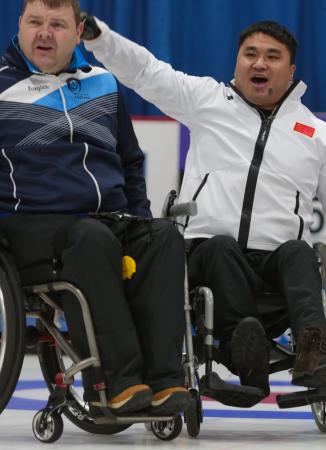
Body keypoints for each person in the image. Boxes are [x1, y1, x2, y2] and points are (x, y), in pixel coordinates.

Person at [81, 15, 326, 399]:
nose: (259, 63)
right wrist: (101, 38)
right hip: (210, 260)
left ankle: (316, 355)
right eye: (250, 54)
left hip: (276, 268)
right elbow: (146, 71)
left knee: (301, 252)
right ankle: (243, 351)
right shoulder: (206, 101)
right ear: (236, 61)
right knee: (219, 246)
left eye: (271, 56)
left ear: (291, 69)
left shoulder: (319, 135)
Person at [0, 0, 189, 415]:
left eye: (56, 24)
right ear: (20, 25)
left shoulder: (103, 84)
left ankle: (164, 382)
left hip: (108, 221)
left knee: (163, 238)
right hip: (30, 226)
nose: (44, 33)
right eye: (35, 23)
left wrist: (139, 219)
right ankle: (114, 384)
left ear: (78, 30)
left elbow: (131, 161)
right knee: (91, 238)